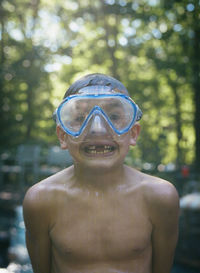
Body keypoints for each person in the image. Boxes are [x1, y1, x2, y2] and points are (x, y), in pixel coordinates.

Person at [23, 73, 179, 273]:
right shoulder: (41, 200)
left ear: (133, 133)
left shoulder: (160, 198)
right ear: (63, 136)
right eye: (80, 118)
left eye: (114, 117)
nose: (97, 128)